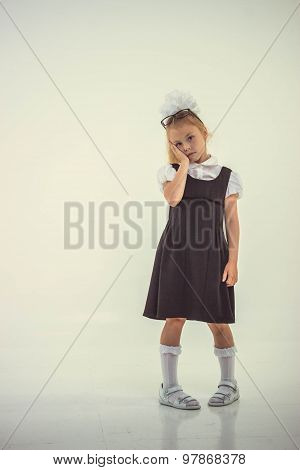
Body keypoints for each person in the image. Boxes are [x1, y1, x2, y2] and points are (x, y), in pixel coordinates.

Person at [142, 90, 243, 410]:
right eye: (178, 143)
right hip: (176, 255)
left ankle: (229, 382)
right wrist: (183, 164)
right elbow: (173, 199)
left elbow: (232, 221)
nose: (186, 145)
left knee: (218, 320)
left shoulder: (227, 177)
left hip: (212, 254)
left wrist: (233, 260)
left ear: (205, 133)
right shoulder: (171, 173)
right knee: (174, 317)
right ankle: (169, 388)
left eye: (191, 138)